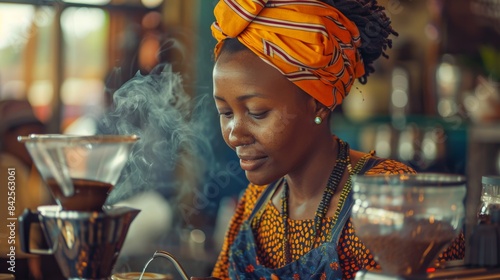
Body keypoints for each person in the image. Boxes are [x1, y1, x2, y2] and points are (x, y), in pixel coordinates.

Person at [209, 0, 465, 279]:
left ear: (319, 103)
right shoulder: (257, 203)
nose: (234, 134)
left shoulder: (387, 200)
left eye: (257, 113)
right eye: (225, 112)